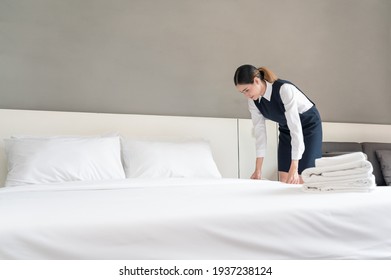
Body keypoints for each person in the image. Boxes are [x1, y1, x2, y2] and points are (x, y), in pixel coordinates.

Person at [234, 65, 322, 184]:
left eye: (247, 90)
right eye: (242, 92)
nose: (246, 95)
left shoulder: (284, 89)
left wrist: (294, 167)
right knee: (284, 179)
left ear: (256, 81)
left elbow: (295, 127)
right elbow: (260, 133)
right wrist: (258, 170)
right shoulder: (253, 102)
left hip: (309, 126)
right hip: (286, 128)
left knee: (301, 179)